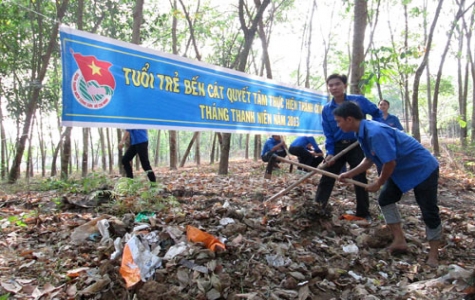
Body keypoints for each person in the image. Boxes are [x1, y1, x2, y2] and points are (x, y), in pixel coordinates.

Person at [334, 101, 441, 267]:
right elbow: (369, 158)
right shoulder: (361, 132)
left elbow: (389, 163)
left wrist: (378, 182)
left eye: (338, 121)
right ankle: (399, 240)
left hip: (421, 167)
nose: (337, 124)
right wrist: (349, 173)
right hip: (401, 170)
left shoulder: (375, 132)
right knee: (385, 199)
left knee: (428, 210)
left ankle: (434, 254)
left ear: (349, 119)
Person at [315, 73, 383, 221]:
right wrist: (330, 152)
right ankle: (317, 209)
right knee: (327, 175)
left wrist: (370, 133)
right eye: (331, 85)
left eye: (337, 84)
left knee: (359, 176)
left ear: (344, 86)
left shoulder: (358, 101)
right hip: (338, 147)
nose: (334, 87)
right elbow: (328, 133)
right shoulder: (327, 109)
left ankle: (363, 213)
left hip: (358, 144)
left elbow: (377, 114)